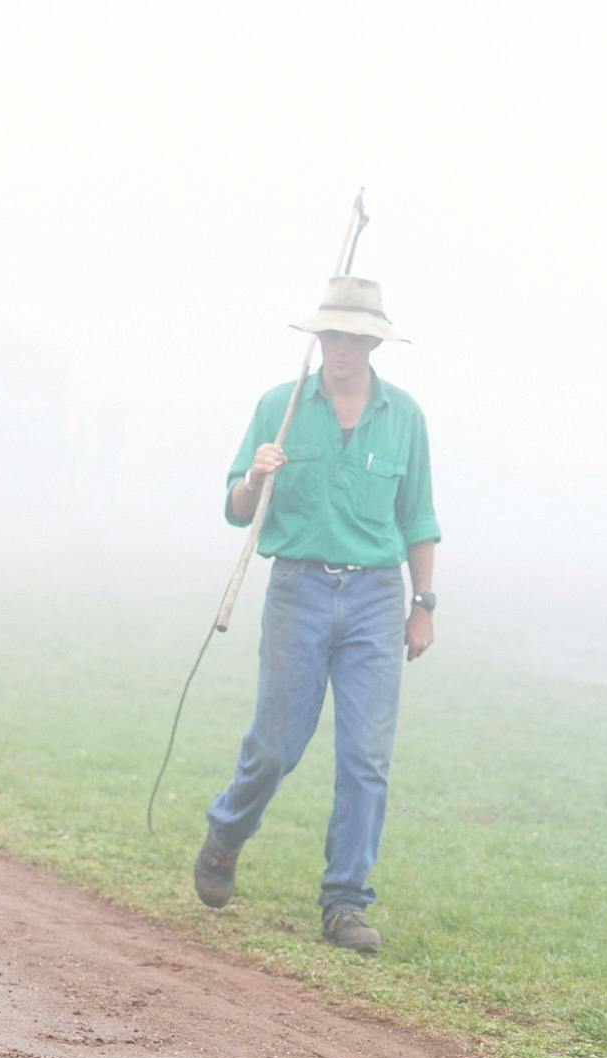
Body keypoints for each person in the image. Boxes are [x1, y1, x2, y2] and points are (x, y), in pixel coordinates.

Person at [192, 276, 440, 954]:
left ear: (374, 343)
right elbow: (237, 508)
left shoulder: (404, 416)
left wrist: (422, 603)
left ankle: (346, 902)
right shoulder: (280, 407)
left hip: (375, 598)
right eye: (332, 334)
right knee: (276, 746)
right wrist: (255, 475)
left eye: (355, 336)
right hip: (297, 589)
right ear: (320, 337)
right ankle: (226, 834)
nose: (342, 347)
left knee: (365, 757)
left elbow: (418, 517)